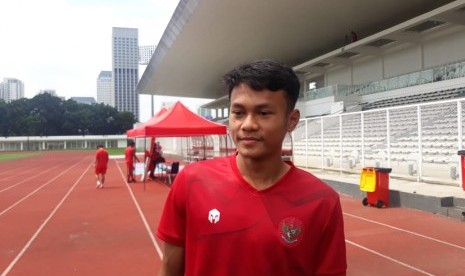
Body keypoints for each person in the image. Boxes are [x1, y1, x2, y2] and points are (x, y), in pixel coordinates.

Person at [156, 59, 347, 275]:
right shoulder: (191, 182)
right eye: (238, 113)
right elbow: (169, 268)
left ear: (291, 120)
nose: (248, 124)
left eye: (263, 113)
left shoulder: (322, 202)